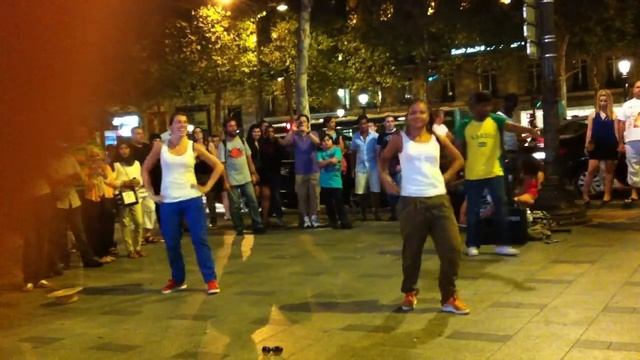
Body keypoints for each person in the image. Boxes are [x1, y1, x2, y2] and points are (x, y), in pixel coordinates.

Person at [379, 100, 468, 314]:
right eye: (412, 113)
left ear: (428, 116)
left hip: (439, 200)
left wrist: (445, 177)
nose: (417, 116)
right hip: (411, 202)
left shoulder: (437, 137)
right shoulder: (399, 139)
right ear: (407, 116)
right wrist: (387, 181)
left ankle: (449, 296)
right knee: (412, 252)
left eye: (421, 112)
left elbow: (459, 160)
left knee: (452, 250)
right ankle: (409, 292)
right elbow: (382, 160)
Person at [142, 112, 225, 295]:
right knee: (171, 243)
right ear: (170, 126)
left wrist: (206, 187)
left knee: (199, 239)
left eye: (185, 122)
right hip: (169, 202)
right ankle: (178, 280)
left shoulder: (194, 146)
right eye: (178, 122)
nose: (182, 125)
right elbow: (145, 168)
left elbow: (218, 166)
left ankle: (210, 280)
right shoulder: (160, 147)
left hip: (191, 199)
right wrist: (151, 194)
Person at [455, 91, 537, 257]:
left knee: (501, 208)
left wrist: (530, 130)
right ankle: (472, 243)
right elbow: (458, 148)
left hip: (495, 171)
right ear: (473, 107)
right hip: (473, 173)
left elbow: (511, 127)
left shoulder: (495, 120)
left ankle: (502, 244)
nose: (486, 109)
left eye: (488, 105)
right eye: (482, 105)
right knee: (473, 210)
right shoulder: (464, 125)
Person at [50, 145, 103, 268]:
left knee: (79, 231)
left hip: (73, 199)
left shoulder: (70, 159)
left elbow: (78, 176)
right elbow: (54, 180)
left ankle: (87, 258)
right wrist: (68, 178)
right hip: (59, 200)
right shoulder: (51, 162)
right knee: (61, 233)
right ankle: (64, 260)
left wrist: (72, 178)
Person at [221, 118, 265, 236]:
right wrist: (225, 181)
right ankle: (239, 227)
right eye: (230, 126)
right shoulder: (223, 144)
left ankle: (258, 225)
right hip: (232, 179)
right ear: (225, 128)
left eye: (234, 125)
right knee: (235, 205)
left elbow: (248, 158)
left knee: (253, 201)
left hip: (246, 177)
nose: (233, 128)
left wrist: (253, 173)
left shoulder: (242, 140)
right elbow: (222, 164)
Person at [281, 114, 321, 228]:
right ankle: (305, 218)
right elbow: (285, 143)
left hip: (313, 169)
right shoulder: (295, 136)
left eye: (304, 121)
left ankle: (313, 217)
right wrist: (292, 130)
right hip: (300, 171)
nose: (302, 123)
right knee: (301, 196)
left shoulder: (313, 134)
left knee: (314, 196)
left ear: (308, 123)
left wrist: (307, 132)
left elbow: (318, 143)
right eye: (300, 121)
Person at [582, 89, 619, 204]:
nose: (603, 103)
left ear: (609, 101)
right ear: (598, 102)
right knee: (591, 169)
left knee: (609, 171)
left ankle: (607, 194)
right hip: (596, 144)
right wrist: (586, 144)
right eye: (601, 100)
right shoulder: (593, 115)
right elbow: (589, 131)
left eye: (605, 100)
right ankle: (585, 193)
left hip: (610, 144)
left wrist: (619, 144)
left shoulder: (613, 115)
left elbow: (616, 131)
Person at [82, 146, 117, 263]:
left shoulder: (106, 167)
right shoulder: (85, 170)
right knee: (94, 227)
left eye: (98, 155)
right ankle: (97, 253)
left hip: (106, 198)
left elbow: (112, 182)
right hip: (92, 200)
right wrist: (92, 174)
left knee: (107, 226)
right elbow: (86, 186)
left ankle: (106, 252)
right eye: (92, 156)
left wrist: (102, 174)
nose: (96, 159)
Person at [113, 141, 146, 259]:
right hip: (123, 195)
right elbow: (112, 181)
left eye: (126, 148)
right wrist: (123, 183)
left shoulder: (136, 163)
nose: (124, 151)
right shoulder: (116, 164)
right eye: (121, 148)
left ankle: (138, 246)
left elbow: (141, 178)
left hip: (135, 195)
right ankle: (130, 249)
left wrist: (138, 182)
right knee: (125, 222)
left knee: (139, 221)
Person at [317, 134, 352, 229]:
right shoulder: (319, 153)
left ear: (331, 141)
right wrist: (330, 161)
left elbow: (336, 160)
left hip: (336, 182)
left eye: (328, 140)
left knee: (339, 202)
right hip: (325, 183)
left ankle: (344, 221)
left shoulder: (337, 150)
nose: (326, 142)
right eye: (323, 141)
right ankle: (333, 222)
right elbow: (320, 164)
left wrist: (326, 162)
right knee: (329, 204)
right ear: (321, 144)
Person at [129, 126, 157, 243]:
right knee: (136, 212)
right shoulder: (129, 149)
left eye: (141, 133)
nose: (139, 136)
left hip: (147, 182)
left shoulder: (147, 147)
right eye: (136, 133)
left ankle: (148, 233)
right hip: (135, 183)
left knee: (150, 208)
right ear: (132, 135)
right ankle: (137, 236)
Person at [351, 114, 381, 221]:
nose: (363, 126)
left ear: (367, 124)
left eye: (364, 123)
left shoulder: (375, 136)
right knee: (361, 192)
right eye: (360, 124)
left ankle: (376, 212)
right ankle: (363, 214)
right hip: (360, 167)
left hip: (373, 166)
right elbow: (353, 153)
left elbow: (379, 152)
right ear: (358, 125)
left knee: (375, 191)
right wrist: (352, 169)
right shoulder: (355, 136)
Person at [616, 80, 640, 205]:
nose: (639, 89)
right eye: (637, 87)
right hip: (631, 140)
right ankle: (634, 193)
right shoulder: (627, 105)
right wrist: (620, 142)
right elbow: (621, 123)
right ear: (633, 89)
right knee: (633, 167)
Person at [258, 125, 287, 227]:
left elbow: (283, 155)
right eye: (268, 132)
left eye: (272, 131)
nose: (270, 134)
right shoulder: (262, 144)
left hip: (275, 173)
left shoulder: (277, 143)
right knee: (266, 196)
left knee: (276, 195)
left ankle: (279, 217)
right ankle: (265, 217)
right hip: (265, 173)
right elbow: (261, 158)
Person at [376, 115, 400, 221]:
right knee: (390, 192)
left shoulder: (399, 134)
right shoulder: (381, 136)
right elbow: (379, 151)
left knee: (400, 189)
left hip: (398, 166)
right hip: (387, 167)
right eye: (387, 121)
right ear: (384, 123)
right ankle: (393, 213)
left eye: (392, 121)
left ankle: (402, 212)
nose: (390, 123)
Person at [193, 127, 217, 227]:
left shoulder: (209, 145)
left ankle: (213, 220)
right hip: (196, 174)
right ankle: (199, 220)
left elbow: (215, 159)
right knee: (197, 199)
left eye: (200, 132)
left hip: (208, 174)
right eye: (196, 132)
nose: (198, 134)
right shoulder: (193, 146)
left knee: (210, 198)